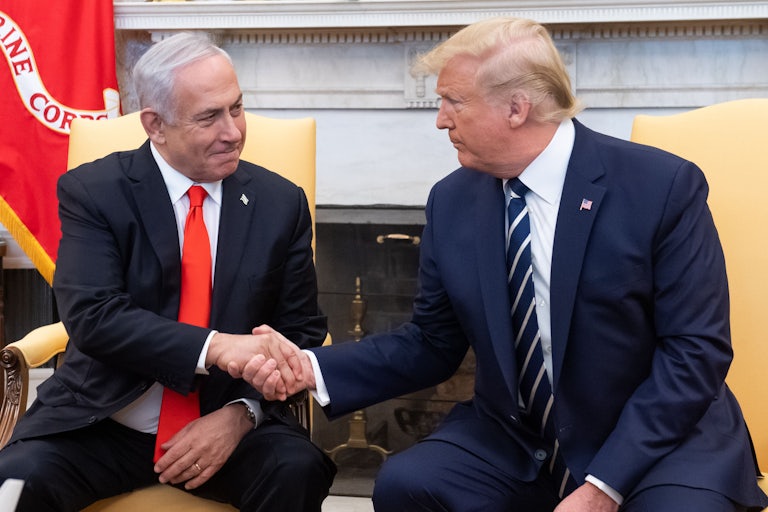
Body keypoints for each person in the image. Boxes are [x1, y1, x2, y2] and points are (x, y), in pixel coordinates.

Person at [239, 17, 768, 512]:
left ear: (517, 109)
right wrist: (310, 368)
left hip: (654, 440)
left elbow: (695, 351)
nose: (441, 118)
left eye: (453, 101)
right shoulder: (453, 200)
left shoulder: (660, 187)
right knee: (407, 485)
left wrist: (604, 484)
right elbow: (431, 342)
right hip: (519, 439)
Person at [0, 32, 334, 512]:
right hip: (104, 425)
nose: (233, 131)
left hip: (227, 427)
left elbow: (301, 329)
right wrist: (219, 346)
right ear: (155, 125)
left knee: (297, 469)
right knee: (15, 483)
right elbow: (95, 316)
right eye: (209, 117)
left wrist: (242, 415)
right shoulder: (95, 191)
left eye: (236, 109)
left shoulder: (280, 203)